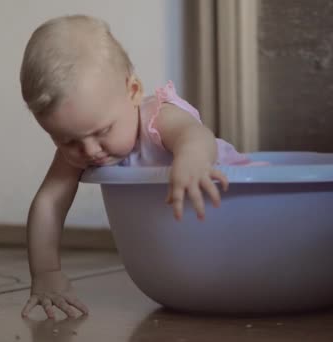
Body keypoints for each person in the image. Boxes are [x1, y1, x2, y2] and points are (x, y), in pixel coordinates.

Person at [18, 14, 257, 319]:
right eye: (66, 141)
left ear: (133, 91)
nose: (90, 150)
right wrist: (46, 272)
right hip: (190, 245)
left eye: (102, 131)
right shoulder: (80, 148)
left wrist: (191, 160)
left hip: (243, 201)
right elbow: (49, 202)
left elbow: (195, 135)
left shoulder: (157, 118)